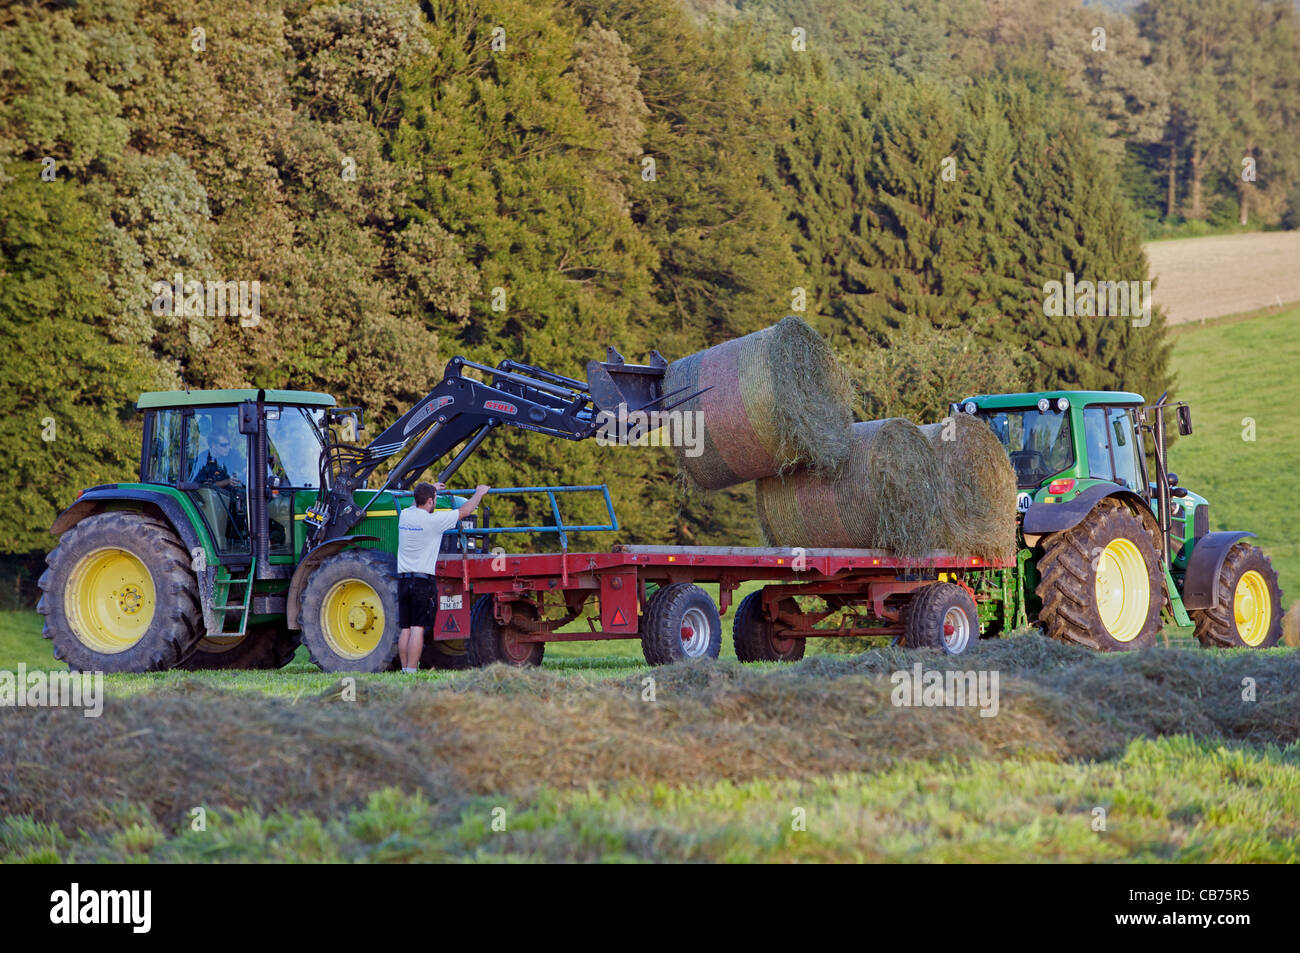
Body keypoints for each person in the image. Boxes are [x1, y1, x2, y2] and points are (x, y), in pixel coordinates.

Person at [397, 480, 490, 674]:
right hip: (422, 581)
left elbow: (417, 503)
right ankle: (412, 670)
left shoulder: (405, 516)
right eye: (434, 500)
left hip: (403, 579)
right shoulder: (433, 521)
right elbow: (464, 512)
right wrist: (479, 493)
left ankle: (405, 669)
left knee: (405, 628)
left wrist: (431, 490)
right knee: (417, 627)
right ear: (430, 501)